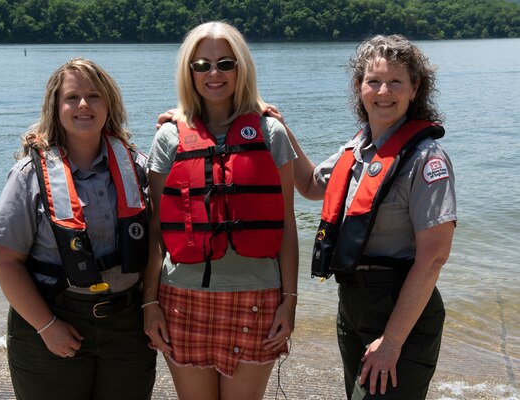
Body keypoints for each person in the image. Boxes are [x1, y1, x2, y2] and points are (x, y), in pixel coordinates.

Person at [269, 34, 456, 399]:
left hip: (399, 312)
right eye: (373, 81)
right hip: (351, 308)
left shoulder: (426, 159)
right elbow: (308, 185)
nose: (383, 91)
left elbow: (433, 258)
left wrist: (391, 342)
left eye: (396, 81)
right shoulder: (355, 151)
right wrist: (278, 125)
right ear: (359, 87)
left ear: (415, 89)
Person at [142, 21, 299, 400]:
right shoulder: (169, 136)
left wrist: (290, 301)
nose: (214, 73)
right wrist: (149, 303)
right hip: (182, 300)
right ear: (189, 71)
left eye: (225, 63)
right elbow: (156, 231)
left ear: (241, 68)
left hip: (258, 300)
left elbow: (287, 227)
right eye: (202, 65)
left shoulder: (271, 132)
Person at [0, 58, 156, 400]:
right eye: (71, 97)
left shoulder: (136, 167)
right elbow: (2, 260)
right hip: (52, 321)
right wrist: (47, 327)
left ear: (110, 104)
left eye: (94, 96)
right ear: (55, 106)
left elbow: (154, 245)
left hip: (127, 325)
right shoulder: (28, 175)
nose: (83, 105)